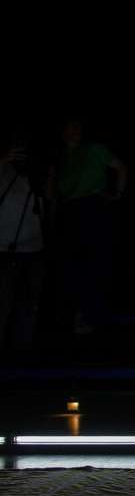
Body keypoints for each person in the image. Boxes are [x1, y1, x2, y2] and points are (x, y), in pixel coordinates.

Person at [52, 117, 127, 336]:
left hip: (91, 207)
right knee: (73, 265)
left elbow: (121, 167)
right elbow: (56, 192)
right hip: (69, 211)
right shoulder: (61, 158)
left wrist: (117, 194)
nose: (74, 131)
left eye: (77, 127)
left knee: (92, 261)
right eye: (70, 127)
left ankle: (94, 315)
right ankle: (78, 315)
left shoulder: (94, 149)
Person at [0, 131, 48, 356]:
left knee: (30, 302)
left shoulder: (37, 172)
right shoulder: (3, 170)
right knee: (5, 300)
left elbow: (49, 202)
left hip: (35, 247)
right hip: (6, 247)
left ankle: (23, 350)